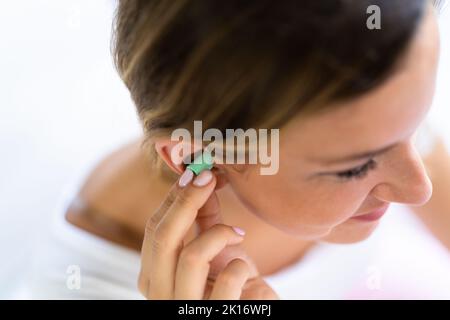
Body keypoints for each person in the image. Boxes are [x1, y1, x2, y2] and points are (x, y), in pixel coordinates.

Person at [28, 0, 450, 299]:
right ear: (200, 157)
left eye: (414, 125)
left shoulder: (368, 109)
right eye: (353, 170)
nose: (420, 187)